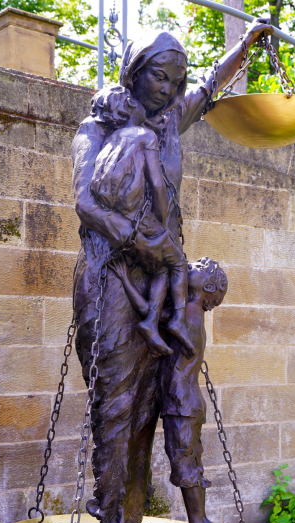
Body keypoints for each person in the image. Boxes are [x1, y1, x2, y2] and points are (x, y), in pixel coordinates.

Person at [72, 19, 273, 523]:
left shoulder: (166, 125)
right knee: (114, 406)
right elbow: (87, 204)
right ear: (135, 74)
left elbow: (209, 89)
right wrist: (144, 241)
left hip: (156, 278)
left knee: (145, 408)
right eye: (159, 77)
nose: (169, 88)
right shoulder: (96, 129)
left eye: (175, 79)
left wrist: (247, 45)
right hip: (111, 276)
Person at [110, 256, 228, 523]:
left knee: (184, 466)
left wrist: (125, 278)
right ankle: (200, 522)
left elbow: (149, 314)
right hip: (183, 404)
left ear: (208, 287)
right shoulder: (189, 310)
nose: (191, 265)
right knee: (189, 462)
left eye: (199, 267)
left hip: (180, 405)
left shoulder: (188, 311)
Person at [90, 86, 194, 358]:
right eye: (136, 103)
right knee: (177, 262)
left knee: (160, 267)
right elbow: (158, 185)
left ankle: (150, 322)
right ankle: (178, 320)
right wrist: (163, 219)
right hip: (142, 222)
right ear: (128, 107)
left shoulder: (111, 140)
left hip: (121, 227)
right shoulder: (144, 137)